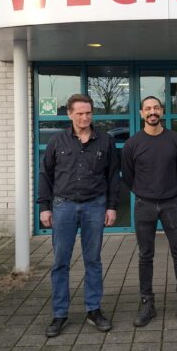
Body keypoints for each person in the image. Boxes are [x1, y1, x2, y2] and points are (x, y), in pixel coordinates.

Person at [37, 93, 120, 337]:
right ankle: (59, 314)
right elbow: (45, 175)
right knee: (60, 262)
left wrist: (111, 206)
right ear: (70, 114)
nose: (85, 117)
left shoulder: (105, 141)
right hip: (63, 206)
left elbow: (113, 176)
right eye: (80, 113)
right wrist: (44, 207)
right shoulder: (57, 141)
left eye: (88, 113)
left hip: (95, 206)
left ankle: (93, 310)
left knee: (93, 260)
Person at [121, 96, 177, 327]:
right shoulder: (132, 144)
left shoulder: (176, 140)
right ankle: (147, 303)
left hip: (171, 204)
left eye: (156, 108)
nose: (152, 112)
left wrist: (169, 191)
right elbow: (128, 176)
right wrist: (145, 191)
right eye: (147, 108)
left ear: (162, 111)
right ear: (141, 113)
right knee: (145, 255)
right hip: (144, 205)